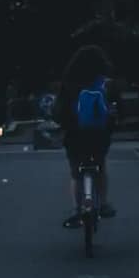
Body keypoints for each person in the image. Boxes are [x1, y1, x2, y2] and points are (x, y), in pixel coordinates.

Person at [56, 45, 117, 228]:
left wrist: (64, 124)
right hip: (99, 136)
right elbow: (113, 109)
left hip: (75, 135)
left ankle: (76, 209)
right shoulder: (103, 84)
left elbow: (59, 112)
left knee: (76, 174)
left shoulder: (68, 83)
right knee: (100, 166)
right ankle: (104, 203)